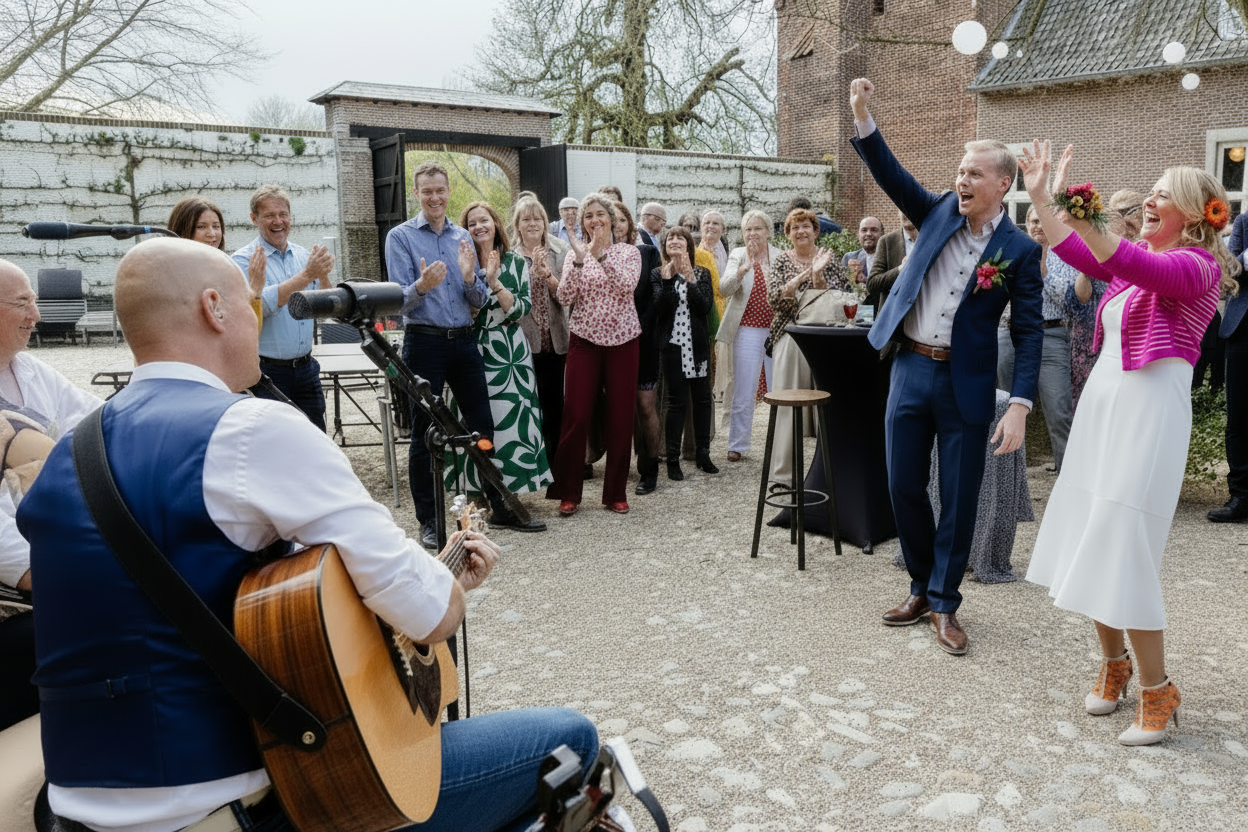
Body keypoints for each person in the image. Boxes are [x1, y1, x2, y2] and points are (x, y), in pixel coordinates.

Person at [17, 237, 598, 832]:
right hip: (240, 810)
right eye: (251, 305)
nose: (257, 317)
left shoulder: (70, 452)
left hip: (74, 812)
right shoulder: (250, 430)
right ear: (214, 309)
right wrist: (450, 588)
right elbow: (427, 610)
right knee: (573, 740)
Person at [1021, 141, 1238, 744]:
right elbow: (1077, 252)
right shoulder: (1136, 255)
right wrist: (1042, 193)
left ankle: (1157, 689)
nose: (1150, 198)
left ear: (1196, 213)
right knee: (1094, 531)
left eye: (1163, 192)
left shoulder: (1197, 267)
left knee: (1126, 542)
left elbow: (1125, 261)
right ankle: (1114, 664)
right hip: (1105, 407)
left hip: (1149, 414)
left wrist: (1074, 205)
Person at [850, 77, 1043, 656]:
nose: (961, 180)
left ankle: (944, 600)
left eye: (974, 174)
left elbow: (1031, 333)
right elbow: (889, 173)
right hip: (909, 367)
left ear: (1002, 184)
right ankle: (918, 584)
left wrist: (1019, 405)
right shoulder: (934, 210)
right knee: (904, 483)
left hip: (968, 383)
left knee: (958, 496)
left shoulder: (1021, 250)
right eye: (960, 171)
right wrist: (864, 115)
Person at [387, 161, 545, 549]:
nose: (435, 197)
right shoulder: (401, 237)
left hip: (465, 342)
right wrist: (421, 287)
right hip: (424, 342)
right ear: (417, 193)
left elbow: (476, 299)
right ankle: (429, 519)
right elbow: (395, 305)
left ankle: (498, 505)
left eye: (441, 190)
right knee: (426, 435)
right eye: (427, 191)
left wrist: (472, 277)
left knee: (482, 429)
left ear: (447, 189)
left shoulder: (462, 237)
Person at [0, 260, 100, 732]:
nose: (36, 315)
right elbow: (9, 552)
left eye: (35, 301)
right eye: (23, 302)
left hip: (52, 548)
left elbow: (97, 424)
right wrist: (66, 578)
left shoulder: (29, 369)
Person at [448, 201, 553, 499]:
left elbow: (520, 309)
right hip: (470, 347)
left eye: (484, 221)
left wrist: (493, 282)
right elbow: (458, 308)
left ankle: (511, 489)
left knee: (510, 418)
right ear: (465, 230)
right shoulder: (460, 261)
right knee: (473, 419)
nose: (479, 227)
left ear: (496, 225)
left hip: (508, 351)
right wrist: (471, 277)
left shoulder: (517, 263)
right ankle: (475, 490)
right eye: (471, 223)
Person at [546, 193, 642, 516]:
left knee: (620, 416)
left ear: (612, 221)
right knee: (576, 414)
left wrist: (599, 256)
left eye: (600, 214)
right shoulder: (576, 254)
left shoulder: (629, 252)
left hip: (623, 341)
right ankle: (568, 491)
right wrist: (576, 258)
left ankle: (615, 491)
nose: (594, 220)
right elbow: (564, 296)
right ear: (583, 222)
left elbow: (626, 287)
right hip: (584, 340)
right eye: (589, 216)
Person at [231, 185, 335, 431]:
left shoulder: (302, 255)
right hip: (267, 373)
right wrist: (307, 275)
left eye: (283, 214)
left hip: (307, 369)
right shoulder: (243, 260)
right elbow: (260, 307)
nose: (278, 221)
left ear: (290, 217)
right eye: (269, 216)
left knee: (315, 439)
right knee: (273, 444)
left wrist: (323, 277)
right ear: (254, 219)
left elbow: (324, 308)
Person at [765, 207, 850, 489]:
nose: (801, 231)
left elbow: (839, 296)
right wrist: (803, 277)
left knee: (827, 407)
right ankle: (784, 476)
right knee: (789, 406)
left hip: (824, 337)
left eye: (806, 226)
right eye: (795, 227)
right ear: (788, 235)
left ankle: (827, 474)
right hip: (790, 335)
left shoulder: (830, 259)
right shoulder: (780, 262)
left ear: (816, 231)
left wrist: (818, 277)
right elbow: (776, 300)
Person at [997, 206, 1077, 472]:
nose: (1038, 227)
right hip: (1010, 333)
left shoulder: (1066, 256)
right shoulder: (1012, 250)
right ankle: (1006, 475)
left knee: (1059, 410)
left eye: (1043, 221)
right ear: (1027, 224)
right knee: (1002, 405)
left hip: (1051, 335)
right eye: (1033, 221)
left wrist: (1045, 271)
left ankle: (1067, 475)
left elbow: (1072, 303)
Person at [651, 226, 718, 481]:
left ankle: (703, 454)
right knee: (676, 403)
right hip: (673, 347)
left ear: (689, 245)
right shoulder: (658, 274)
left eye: (681, 237)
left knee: (702, 400)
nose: (675, 240)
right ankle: (672, 460)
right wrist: (669, 280)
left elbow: (704, 306)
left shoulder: (702, 273)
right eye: (671, 238)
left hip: (698, 346)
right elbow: (659, 308)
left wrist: (690, 278)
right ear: (665, 246)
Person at [1067, 191, 1143, 410]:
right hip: (1088, 338)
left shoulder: (1143, 252)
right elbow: (1076, 302)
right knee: (1087, 405)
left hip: (1126, 342)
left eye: (1125, 212)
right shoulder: (1092, 247)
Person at [717, 210, 781, 462]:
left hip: (776, 330)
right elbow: (723, 289)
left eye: (758, 229)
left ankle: (779, 443)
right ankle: (737, 444)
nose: (752, 234)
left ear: (767, 231)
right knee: (744, 388)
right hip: (747, 330)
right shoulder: (737, 255)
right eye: (748, 229)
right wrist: (742, 271)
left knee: (779, 388)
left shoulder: (779, 256)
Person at [512, 196, 570, 464]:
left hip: (556, 339)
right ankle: (531, 461)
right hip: (523, 342)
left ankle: (555, 461)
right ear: (518, 224)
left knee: (554, 403)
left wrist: (546, 274)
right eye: (526, 219)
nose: (532, 223)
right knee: (528, 403)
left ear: (545, 223)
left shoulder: (561, 250)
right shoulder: (510, 256)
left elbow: (565, 296)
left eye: (537, 218)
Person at [614, 202, 663, 495]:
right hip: (610, 343)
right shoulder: (600, 255)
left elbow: (657, 297)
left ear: (630, 223)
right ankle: (618, 471)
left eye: (622, 220)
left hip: (643, 340)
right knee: (618, 408)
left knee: (645, 406)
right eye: (612, 220)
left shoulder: (648, 252)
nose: (617, 225)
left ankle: (650, 469)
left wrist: (635, 327)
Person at [1212, 212, 1248, 522]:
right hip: (1243, 331)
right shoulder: (1245, 221)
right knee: (1238, 420)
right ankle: (1241, 497)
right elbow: (1230, 270)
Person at [867, 210, 917, 313]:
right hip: (896, 318)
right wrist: (900, 269)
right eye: (902, 208)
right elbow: (872, 284)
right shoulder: (887, 241)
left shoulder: (933, 240)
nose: (905, 212)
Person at [841, 216, 883, 285]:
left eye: (874, 230)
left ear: (881, 234)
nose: (869, 234)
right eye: (864, 230)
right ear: (858, 235)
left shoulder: (890, 258)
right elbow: (841, 288)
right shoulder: (849, 258)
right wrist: (852, 279)